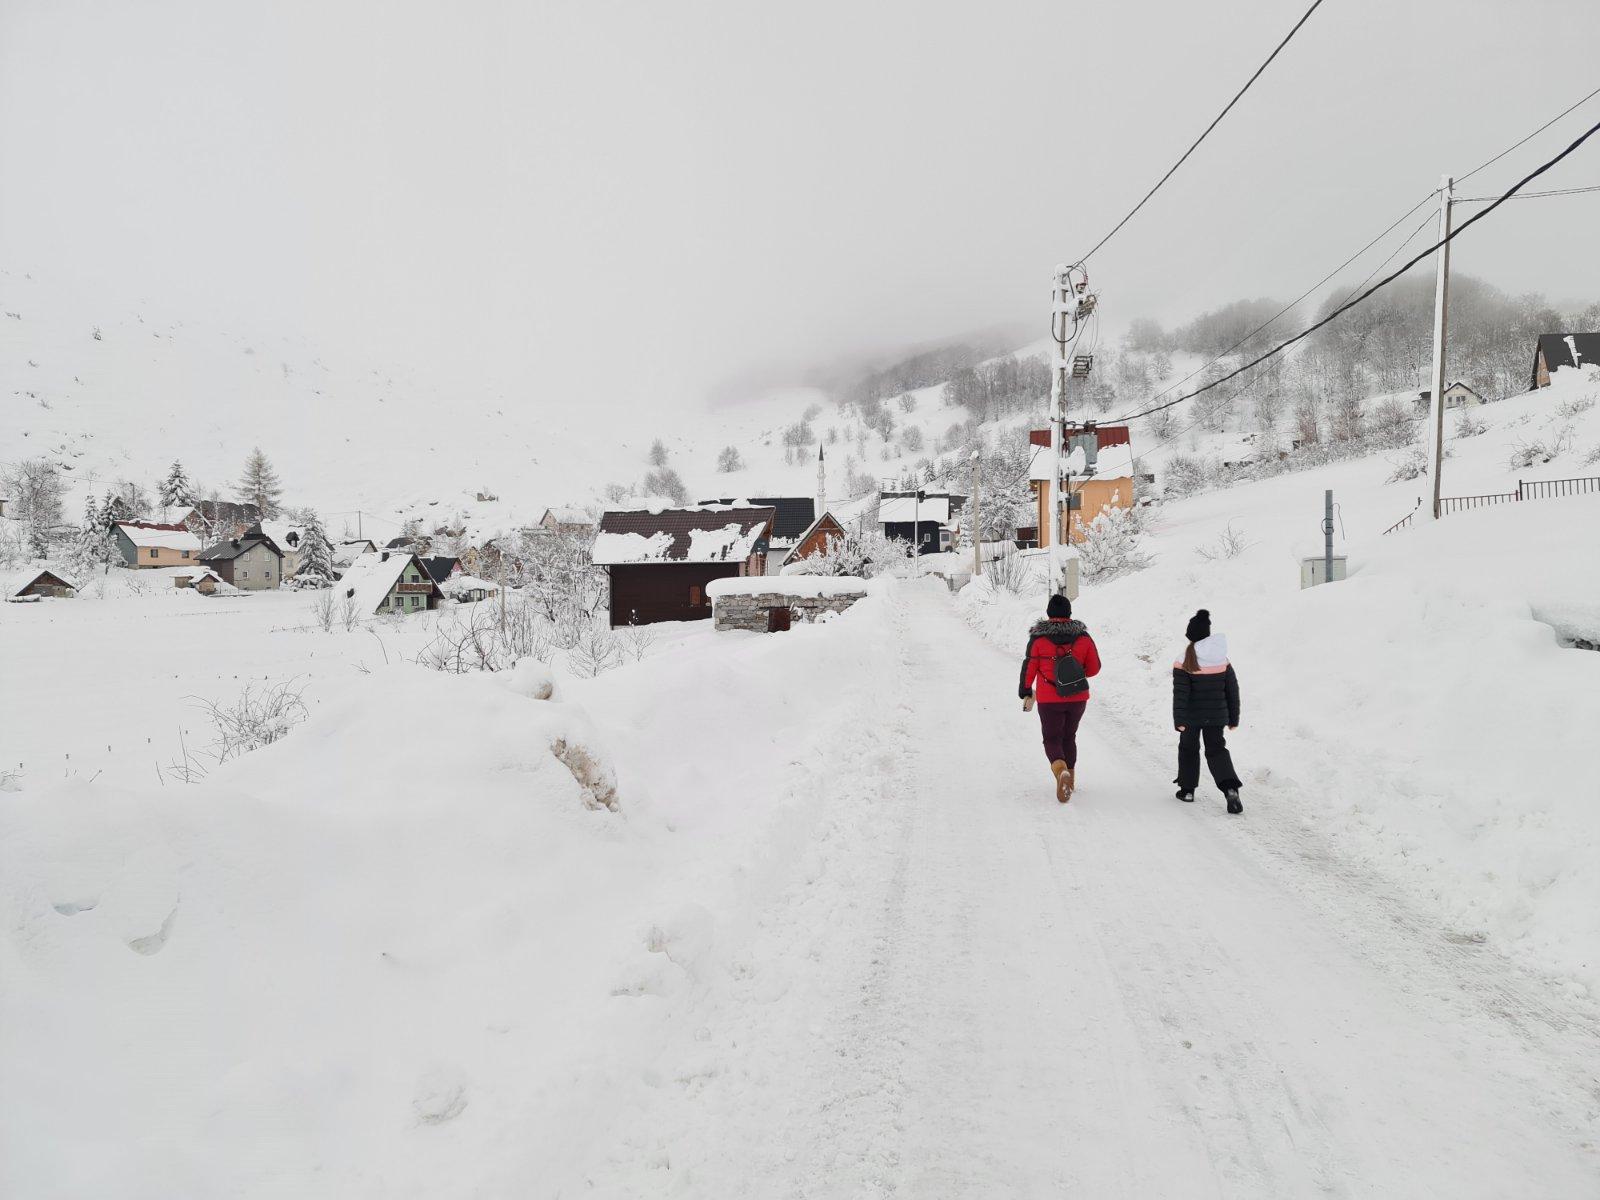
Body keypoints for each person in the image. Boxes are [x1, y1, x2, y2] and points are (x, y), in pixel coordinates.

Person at [1018, 593, 1102, 803]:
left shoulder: (1037, 639)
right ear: (1069, 613)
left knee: (1052, 738)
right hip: (1077, 697)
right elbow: (1094, 669)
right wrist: (1073, 671)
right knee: (1069, 737)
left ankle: (1060, 771)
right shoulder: (1083, 638)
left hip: (1049, 700)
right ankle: (1070, 781)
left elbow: (1029, 666)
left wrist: (1025, 689)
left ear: (1048, 614)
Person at [1171, 609, 1244, 814]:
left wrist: (1179, 719)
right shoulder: (1222, 658)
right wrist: (1233, 717)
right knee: (1217, 750)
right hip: (1217, 716)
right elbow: (1232, 689)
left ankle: (1187, 791)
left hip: (1191, 718)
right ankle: (1230, 789)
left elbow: (1181, 695)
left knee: (1188, 749)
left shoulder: (1184, 659)